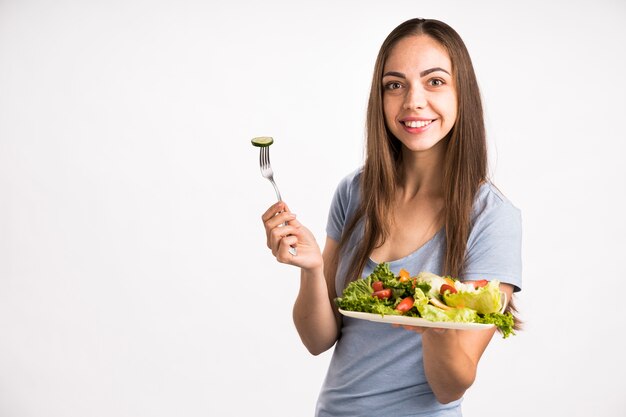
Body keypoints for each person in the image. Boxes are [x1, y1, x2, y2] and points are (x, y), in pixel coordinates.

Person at [261, 17, 522, 417]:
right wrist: (312, 269)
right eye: (395, 85)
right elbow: (317, 339)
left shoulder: (490, 217)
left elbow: (450, 386)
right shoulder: (356, 191)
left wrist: (435, 324)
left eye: (434, 82)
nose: (413, 101)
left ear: (461, 94)